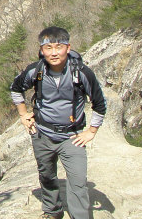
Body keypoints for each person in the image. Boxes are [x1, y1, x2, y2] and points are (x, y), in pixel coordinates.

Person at [10, 26, 107, 219]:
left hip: (72, 137)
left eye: (59, 47)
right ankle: (52, 211)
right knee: (46, 176)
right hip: (43, 134)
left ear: (68, 48)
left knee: (78, 182)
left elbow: (99, 104)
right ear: (41, 50)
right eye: (48, 48)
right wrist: (23, 114)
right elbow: (15, 88)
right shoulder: (35, 71)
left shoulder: (81, 73)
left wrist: (92, 131)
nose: (54, 53)